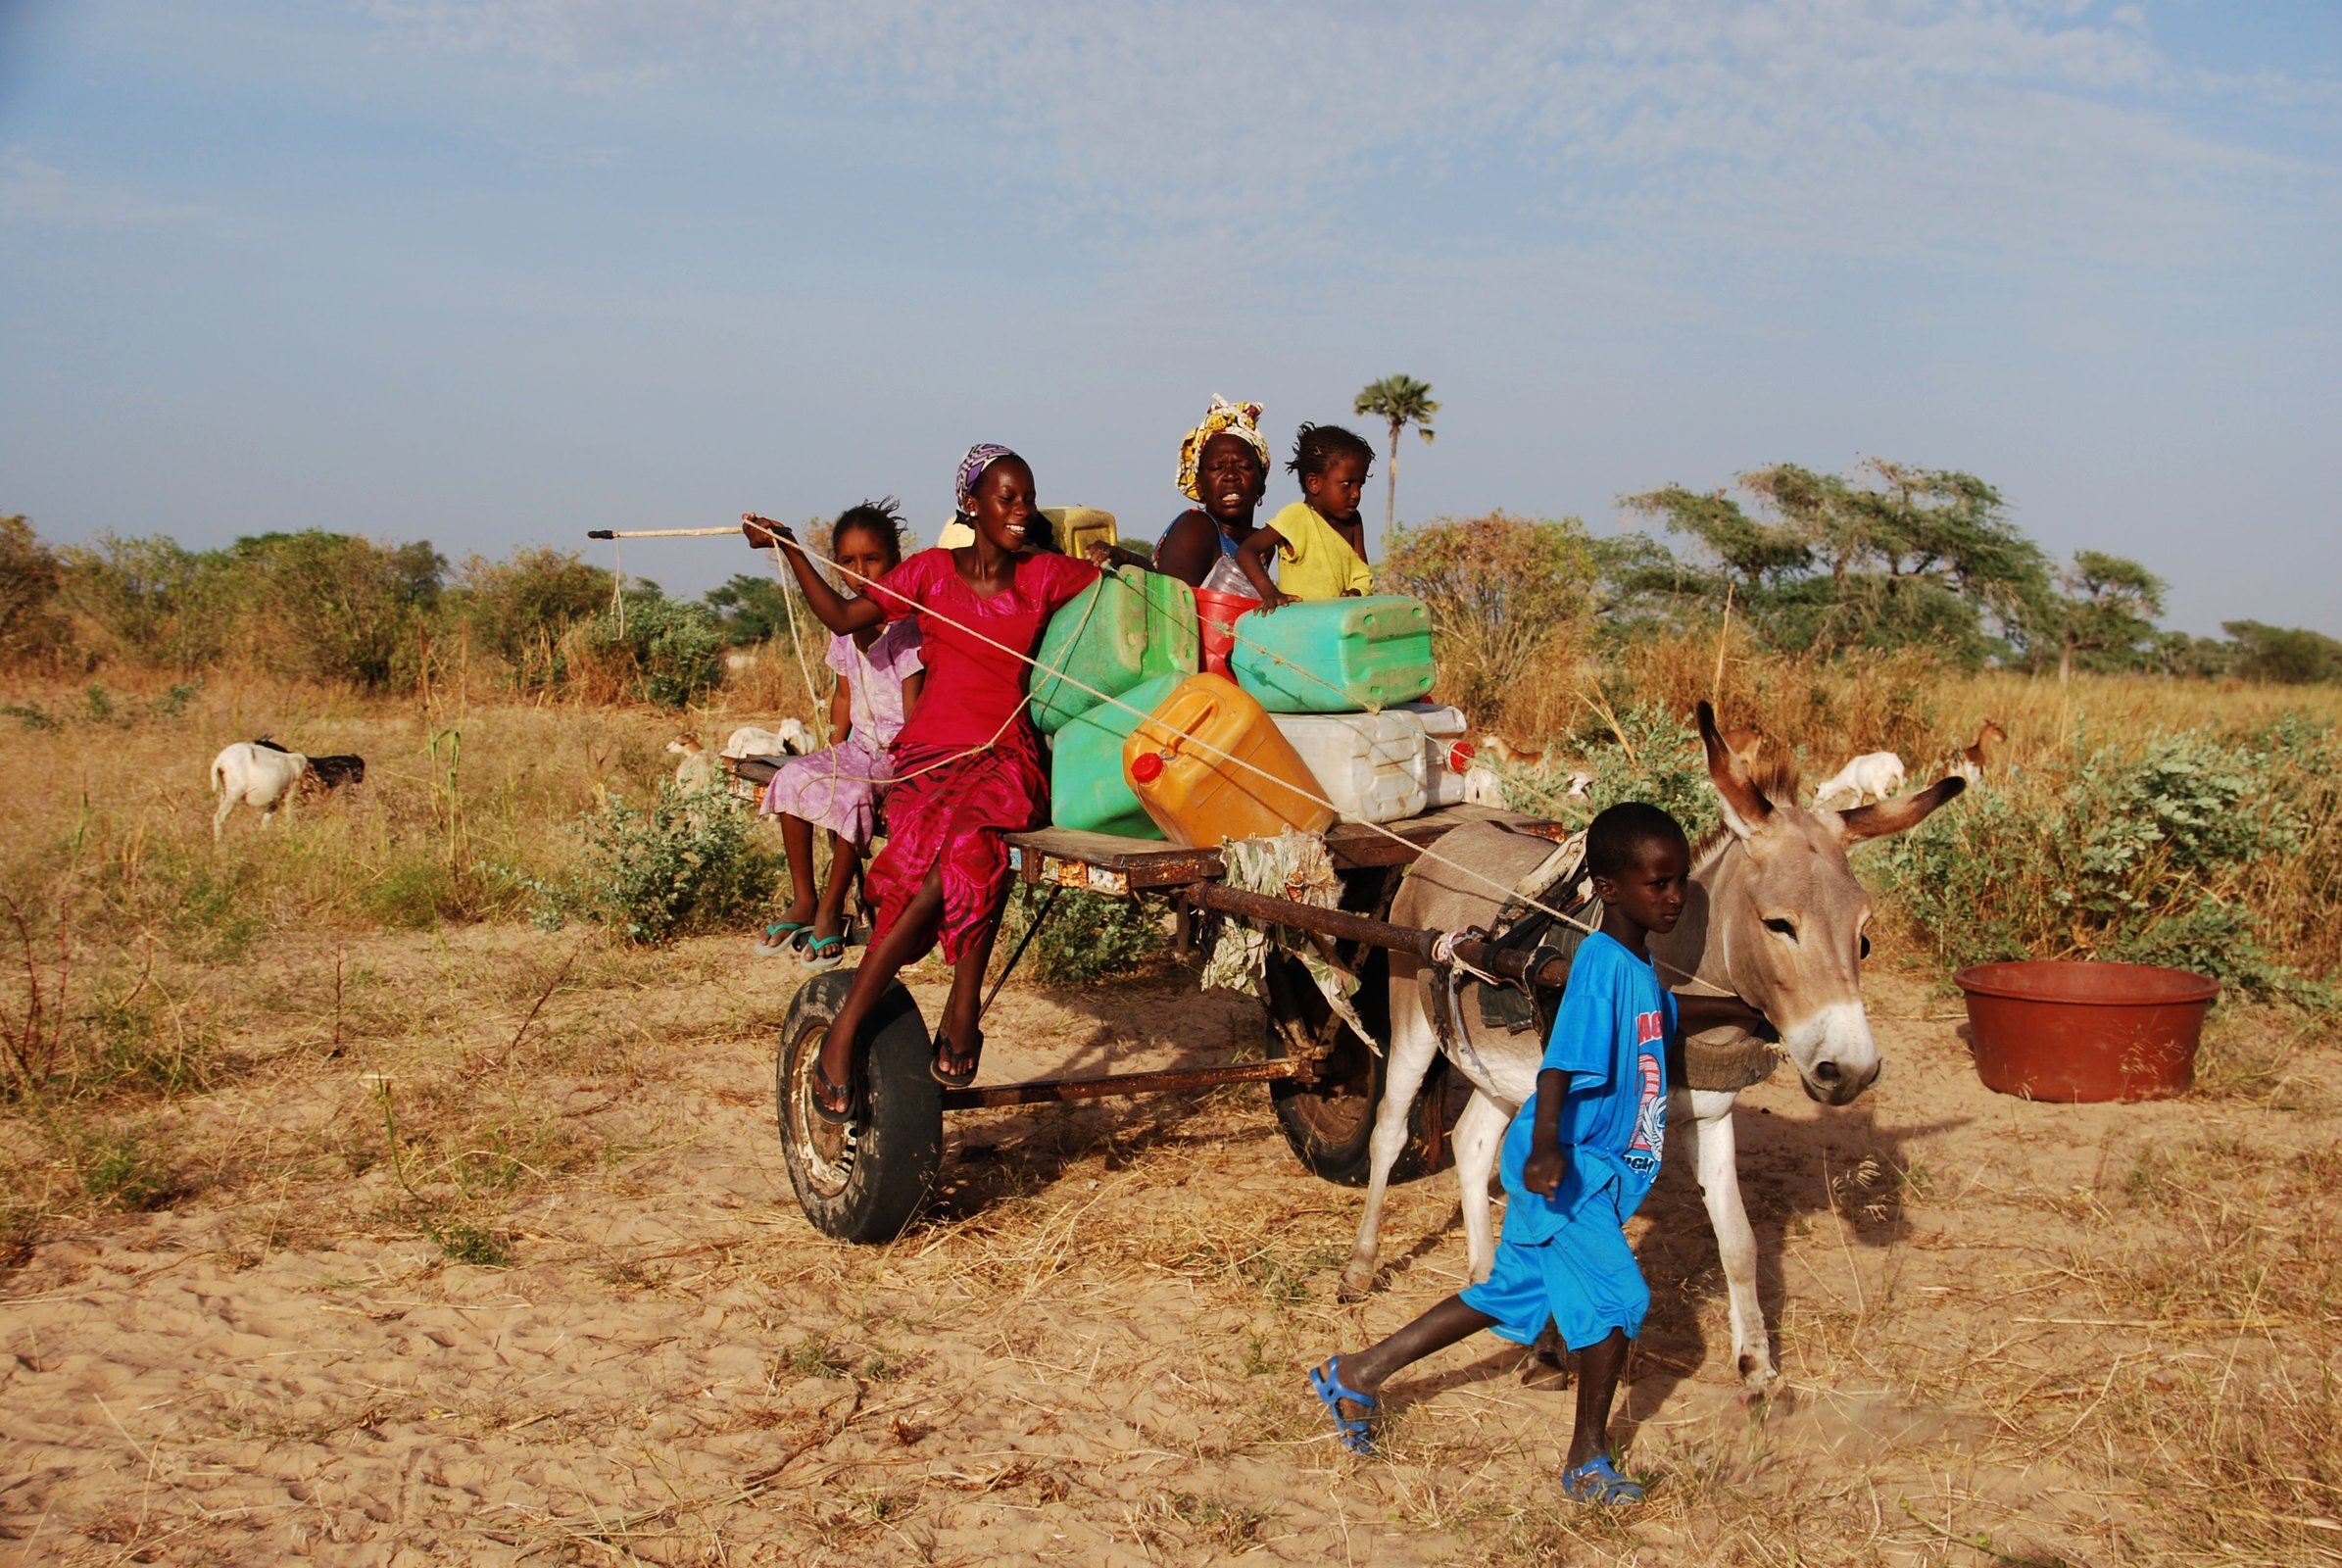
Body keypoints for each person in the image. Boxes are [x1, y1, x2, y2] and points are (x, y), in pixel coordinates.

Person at [1306, 803, 1769, 1504]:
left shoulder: (1637, 967)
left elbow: (1660, 1017)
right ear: (1610, 888)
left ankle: (1356, 1374)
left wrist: (1734, 1011)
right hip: (1571, 1167)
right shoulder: (1599, 969)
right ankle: (1588, 1458)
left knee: (1510, 1296)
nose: (1675, 898)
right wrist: (1549, 1144)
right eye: (1659, 884)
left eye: (1680, 884)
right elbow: (1558, 1069)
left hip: (1595, 1170)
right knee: (1620, 1302)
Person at [743, 445, 1131, 1118]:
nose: (1020, 512)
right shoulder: (926, 573)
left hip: (1005, 754)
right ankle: (902, 1021)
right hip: (928, 757)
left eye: (1027, 499)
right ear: (972, 505)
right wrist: (788, 548)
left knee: (967, 852)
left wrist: (1115, 562)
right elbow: (841, 617)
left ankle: (942, 1010)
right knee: (934, 862)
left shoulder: (1046, 574)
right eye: (1006, 499)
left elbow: (1130, 577)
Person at [753, 501, 925, 971]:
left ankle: (831, 909)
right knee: (792, 780)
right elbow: (844, 697)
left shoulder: (908, 629)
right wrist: (832, 746)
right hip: (858, 746)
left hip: (896, 754)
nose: (860, 571)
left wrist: (908, 772)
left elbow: (915, 711)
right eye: (847, 562)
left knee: (849, 798)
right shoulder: (844, 629)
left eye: (873, 559)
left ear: (898, 563)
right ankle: (804, 900)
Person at [1234, 421, 1377, 611]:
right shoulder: (1297, 516)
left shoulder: (1354, 524)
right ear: (1314, 483)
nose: (1356, 493)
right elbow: (1246, 551)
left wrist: (1356, 593)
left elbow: (1362, 576)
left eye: (1360, 484)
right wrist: (1270, 593)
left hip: (1338, 628)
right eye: (1347, 483)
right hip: (1300, 629)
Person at [1152, 396, 1271, 589]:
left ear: (1262, 483)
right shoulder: (1196, 528)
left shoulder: (1263, 546)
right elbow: (1174, 608)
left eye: (1243, 466)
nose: (1231, 476)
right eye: (1217, 467)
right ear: (1199, 485)